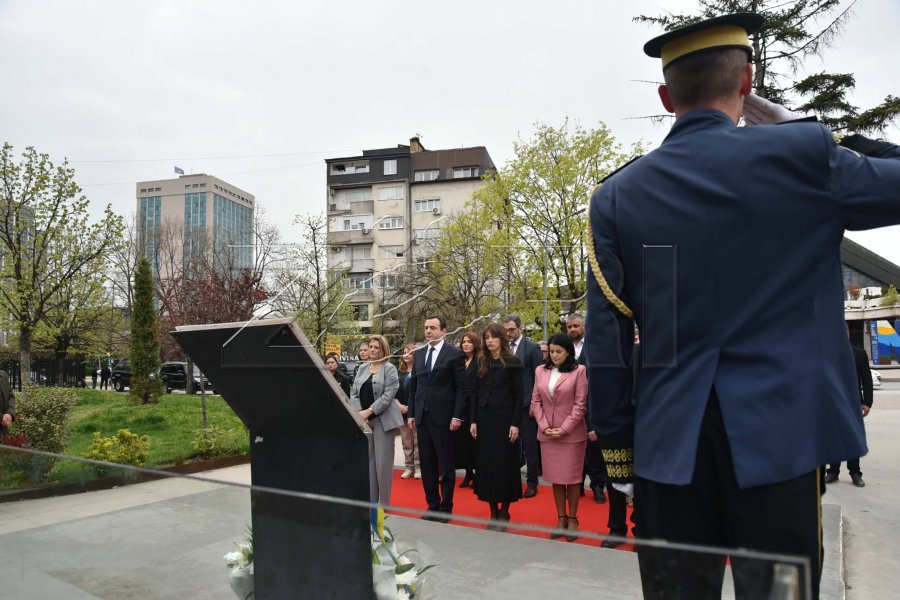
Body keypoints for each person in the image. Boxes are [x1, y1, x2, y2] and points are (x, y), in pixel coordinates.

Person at [585, 12, 900, 599]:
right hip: (781, 445)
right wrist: (810, 128)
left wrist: (622, 457)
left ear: (664, 95)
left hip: (670, 451)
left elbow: (607, 346)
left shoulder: (618, 195)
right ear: (748, 83)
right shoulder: (802, 157)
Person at [408, 316, 467, 520]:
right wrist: (412, 413)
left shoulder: (455, 354)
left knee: (446, 464)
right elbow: (414, 386)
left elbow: (461, 388)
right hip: (423, 416)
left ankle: (446, 507)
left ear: (444, 330)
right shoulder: (420, 353)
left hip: (444, 417)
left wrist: (457, 416)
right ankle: (432, 505)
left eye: (432, 328)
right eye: (425, 328)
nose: (428, 331)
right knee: (427, 464)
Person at [531, 333, 588, 542]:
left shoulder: (579, 371)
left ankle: (573, 518)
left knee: (572, 479)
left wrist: (564, 429)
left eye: (559, 352)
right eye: (552, 351)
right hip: (547, 433)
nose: (554, 355)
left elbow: (580, 404)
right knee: (555, 478)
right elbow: (535, 401)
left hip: (571, 434)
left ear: (568, 352)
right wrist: (545, 426)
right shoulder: (540, 371)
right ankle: (561, 518)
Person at [469, 323, 523, 529]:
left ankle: (504, 511)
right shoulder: (480, 361)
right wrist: (473, 420)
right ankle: (493, 512)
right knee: (487, 465)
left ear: (502, 338)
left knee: (505, 465)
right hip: (484, 419)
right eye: (486, 337)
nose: (489, 341)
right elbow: (473, 394)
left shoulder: (514, 362)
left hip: (505, 419)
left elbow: (519, 396)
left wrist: (515, 424)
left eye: (493, 337)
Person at [350, 335, 401, 505]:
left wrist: (370, 411)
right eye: (370, 346)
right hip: (365, 421)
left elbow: (388, 395)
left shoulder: (390, 369)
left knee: (383, 464)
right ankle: (372, 500)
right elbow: (354, 393)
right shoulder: (362, 368)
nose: (372, 350)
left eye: (376, 347)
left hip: (383, 421)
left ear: (383, 350)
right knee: (370, 462)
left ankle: (384, 503)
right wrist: (359, 412)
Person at [502, 315, 543, 498]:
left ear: (520, 328)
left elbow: (538, 379)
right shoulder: (502, 350)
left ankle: (532, 482)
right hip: (506, 405)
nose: (509, 333)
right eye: (506, 330)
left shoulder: (532, 348)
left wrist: (535, 403)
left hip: (527, 406)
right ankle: (510, 479)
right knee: (508, 445)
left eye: (511, 329)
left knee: (529, 446)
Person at [825, 343, 874, 487]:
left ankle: (855, 472)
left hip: (854, 402)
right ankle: (833, 472)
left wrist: (867, 402)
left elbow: (867, 379)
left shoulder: (859, 353)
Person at [456, 332, 481, 488]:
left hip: (474, 404)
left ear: (475, 344)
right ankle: (468, 473)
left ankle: (478, 474)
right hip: (460, 405)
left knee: (474, 442)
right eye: (463, 342)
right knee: (462, 443)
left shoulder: (480, 361)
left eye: (469, 342)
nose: (465, 344)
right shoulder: (459, 361)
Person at [396, 343, 420, 480]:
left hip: (416, 411)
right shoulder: (398, 372)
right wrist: (399, 405)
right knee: (406, 441)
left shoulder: (419, 371)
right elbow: (393, 393)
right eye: (404, 352)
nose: (406, 355)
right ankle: (408, 466)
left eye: (409, 352)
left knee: (418, 441)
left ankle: (418, 467)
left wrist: (413, 407)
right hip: (401, 411)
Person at [1, 369, 15, 437]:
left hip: (3, 431)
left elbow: (10, 396)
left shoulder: (3, 375)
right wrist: (1, 418)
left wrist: (9, 413)